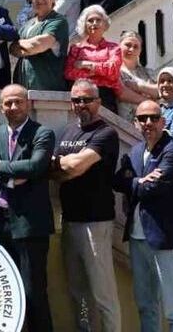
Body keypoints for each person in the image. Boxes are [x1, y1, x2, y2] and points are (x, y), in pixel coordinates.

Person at [0, 84, 56, 332]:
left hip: (29, 225)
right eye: (8, 103)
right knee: (0, 291)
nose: (13, 106)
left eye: (18, 101)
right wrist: (10, 179)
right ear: (1, 107)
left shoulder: (42, 133)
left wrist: (0, 166)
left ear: (28, 104)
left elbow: (35, 167)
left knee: (33, 292)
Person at [51, 79, 122, 332]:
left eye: (87, 100)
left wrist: (64, 165)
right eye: (77, 100)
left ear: (98, 102)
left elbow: (75, 166)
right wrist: (66, 167)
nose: (81, 104)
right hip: (70, 221)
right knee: (78, 291)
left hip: (96, 222)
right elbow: (57, 172)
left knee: (103, 293)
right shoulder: (68, 132)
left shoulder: (106, 133)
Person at [115, 99, 173, 332]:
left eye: (154, 118)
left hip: (164, 238)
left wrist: (134, 183)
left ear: (163, 122)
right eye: (142, 118)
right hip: (137, 237)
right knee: (146, 304)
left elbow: (155, 187)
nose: (148, 122)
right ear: (135, 123)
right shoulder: (136, 151)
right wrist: (139, 181)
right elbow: (117, 181)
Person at [11, 0, 69, 92]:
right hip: (24, 89)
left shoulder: (58, 21)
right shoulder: (27, 24)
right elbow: (12, 49)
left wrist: (19, 44)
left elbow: (39, 45)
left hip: (48, 89)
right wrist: (26, 47)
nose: (40, 0)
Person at [64, 5, 122, 112]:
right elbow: (69, 73)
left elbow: (113, 71)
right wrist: (101, 71)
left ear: (105, 24)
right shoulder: (76, 48)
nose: (94, 23)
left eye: (98, 20)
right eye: (90, 20)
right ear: (84, 25)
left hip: (105, 96)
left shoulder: (114, 48)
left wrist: (86, 65)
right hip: (81, 96)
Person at [117, 32, 159, 110]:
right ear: (119, 46)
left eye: (136, 47)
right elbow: (121, 94)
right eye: (128, 45)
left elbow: (160, 91)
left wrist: (139, 86)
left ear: (140, 50)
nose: (131, 49)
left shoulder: (149, 73)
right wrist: (149, 102)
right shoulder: (114, 71)